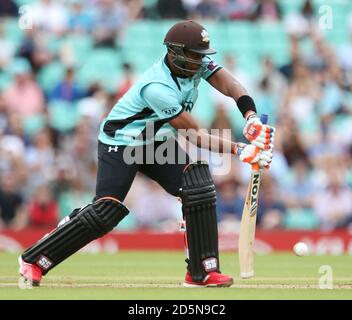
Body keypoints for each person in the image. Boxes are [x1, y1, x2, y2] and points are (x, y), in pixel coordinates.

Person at [18, 20, 275, 288]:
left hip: (157, 141)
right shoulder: (157, 87)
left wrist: (251, 118)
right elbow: (194, 134)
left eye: (203, 57)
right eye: (196, 56)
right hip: (122, 142)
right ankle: (34, 260)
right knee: (105, 212)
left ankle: (202, 272)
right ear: (176, 53)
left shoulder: (195, 66)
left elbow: (232, 85)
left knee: (197, 186)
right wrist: (240, 149)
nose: (201, 62)